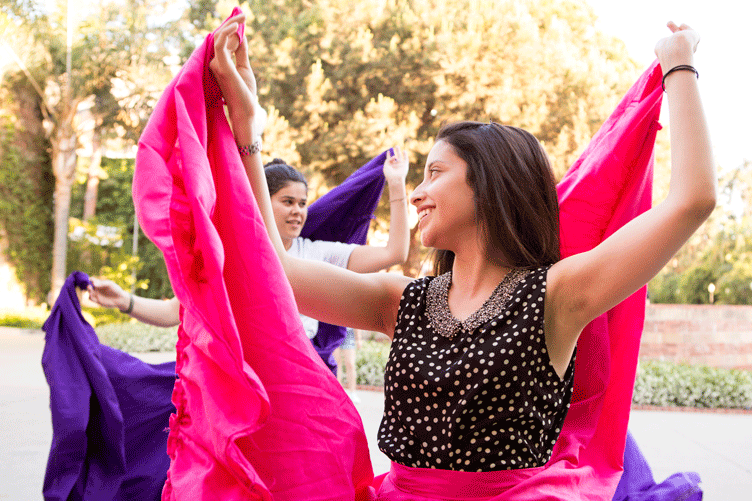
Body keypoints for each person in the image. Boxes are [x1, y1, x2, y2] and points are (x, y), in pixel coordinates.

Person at [212, 9, 714, 484]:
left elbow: (691, 200)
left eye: (435, 173)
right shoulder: (401, 301)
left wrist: (679, 65)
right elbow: (269, 266)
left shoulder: (558, 294)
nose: (416, 192)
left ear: (489, 186)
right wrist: (247, 130)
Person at [88, 153, 410, 342]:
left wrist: (395, 184)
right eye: (287, 202)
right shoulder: (229, 257)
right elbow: (176, 311)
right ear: (262, 204)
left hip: (305, 390)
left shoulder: (315, 254)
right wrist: (124, 301)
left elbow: (393, 253)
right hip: (249, 391)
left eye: (302, 203)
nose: (298, 211)